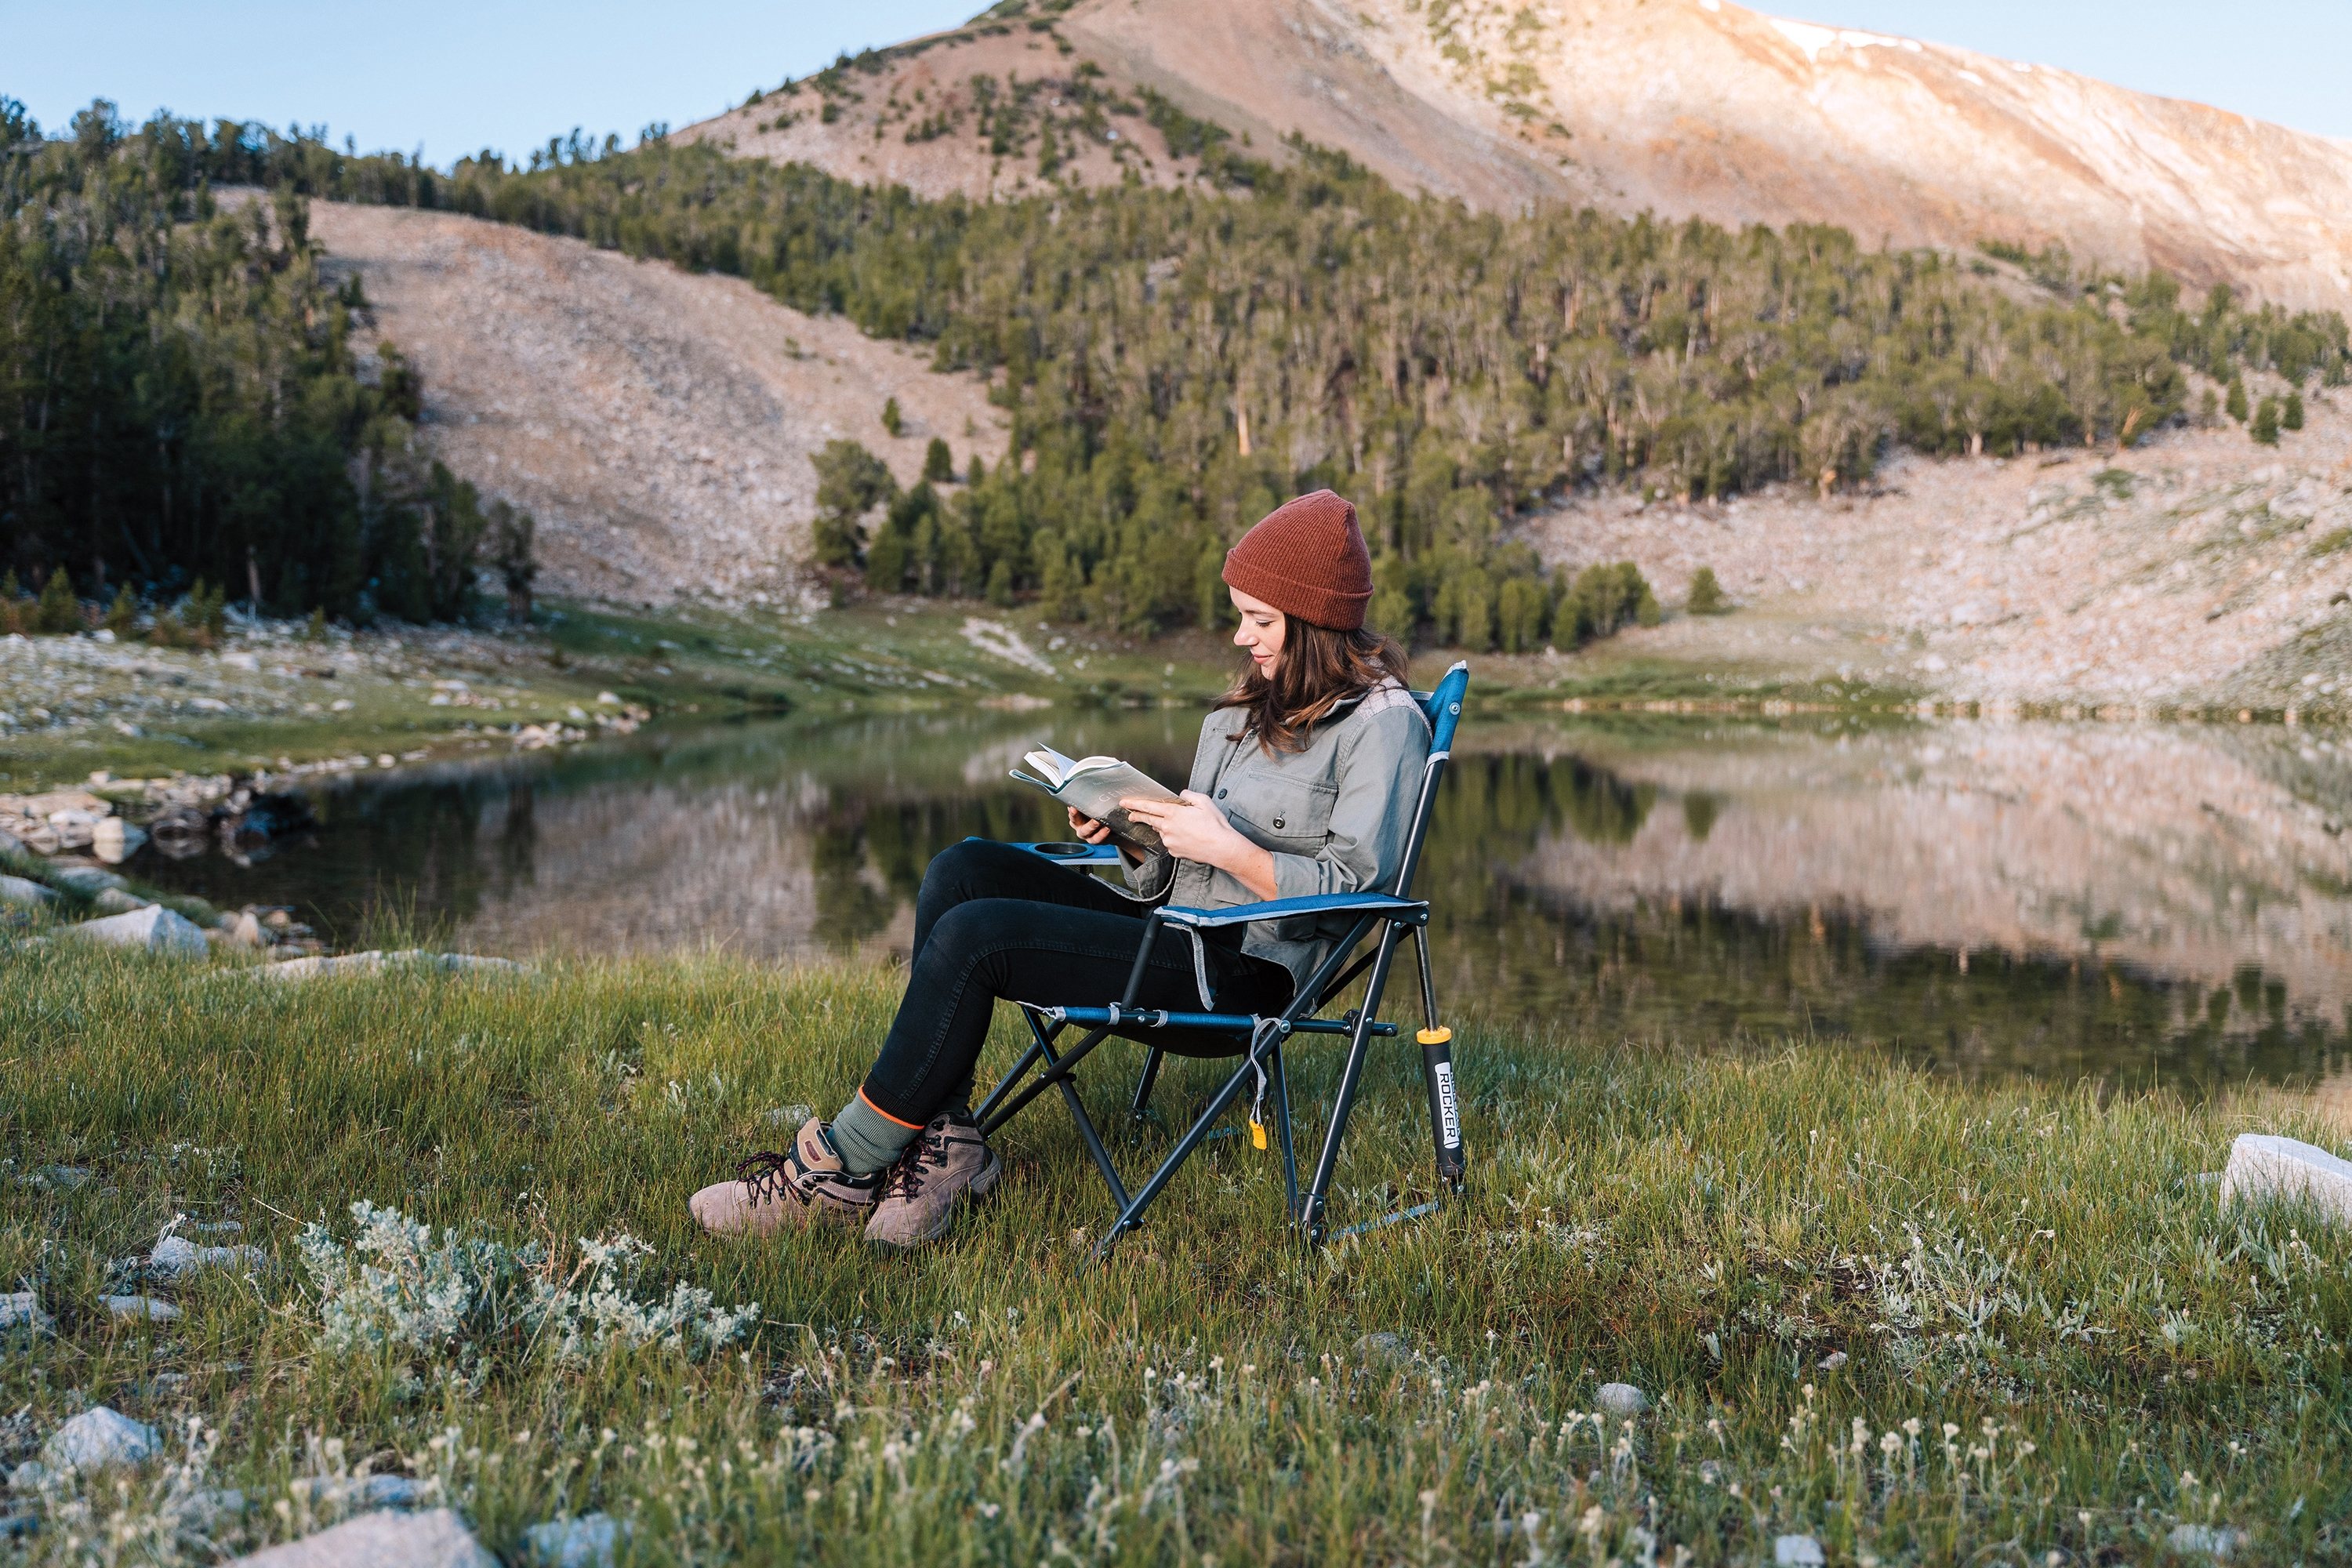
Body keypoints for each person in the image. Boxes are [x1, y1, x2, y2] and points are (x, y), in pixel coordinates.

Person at [689, 490, 1432, 1248]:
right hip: (1174, 932)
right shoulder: (1244, 712)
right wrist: (1133, 835)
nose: (1242, 636)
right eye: (1240, 615)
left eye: (1261, 620)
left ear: (1315, 622)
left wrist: (1227, 848)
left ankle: (840, 1169)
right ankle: (948, 1148)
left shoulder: (1384, 726)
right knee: (963, 869)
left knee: (979, 936)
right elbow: (1179, 873)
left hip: (1248, 975)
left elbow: (1357, 900)